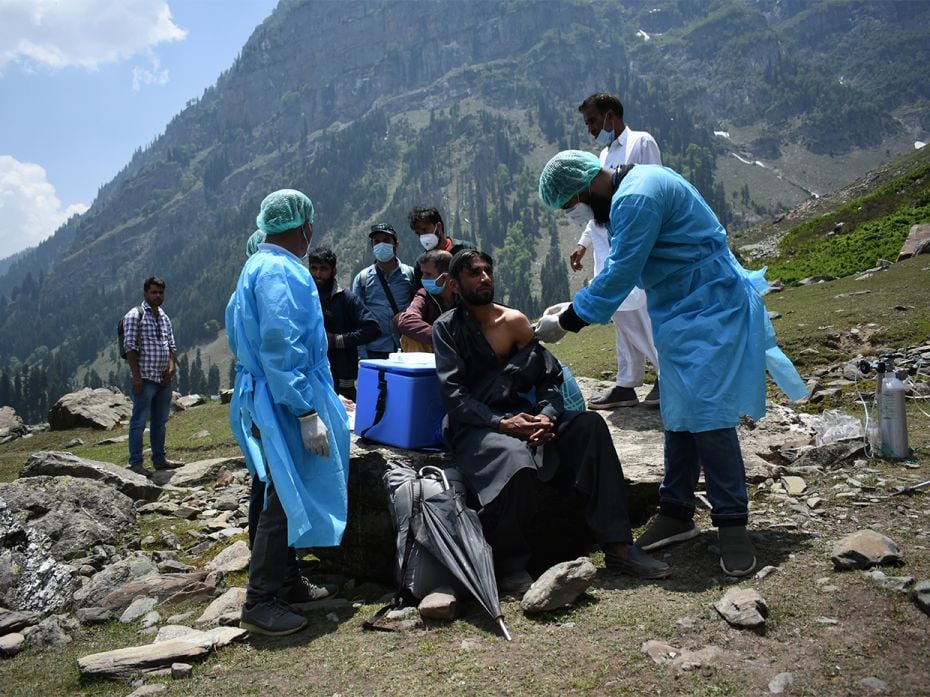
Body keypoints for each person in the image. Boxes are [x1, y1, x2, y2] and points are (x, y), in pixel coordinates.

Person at [537, 152, 808, 577]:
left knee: (709, 415)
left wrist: (568, 319)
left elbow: (622, 271)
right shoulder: (638, 184)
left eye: (575, 203)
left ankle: (732, 522)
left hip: (708, 305)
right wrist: (577, 305)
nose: (581, 211)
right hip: (680, 310)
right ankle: (677, 510)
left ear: (586, 187)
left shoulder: (637, 197)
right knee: (679, 412)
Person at [433, 250, 670, 594]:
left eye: (487, 271)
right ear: (455, 285)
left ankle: (618, 546)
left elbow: (549, 378)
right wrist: (503, 424)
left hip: (525, 419)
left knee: (590, 427)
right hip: (478, 426)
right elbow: (454, 397)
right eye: (473, 273)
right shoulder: (447, 329)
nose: (484, 278)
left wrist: (546, 415)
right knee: (514, 457)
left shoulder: (513, 323)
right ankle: (511, 565)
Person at [226, 189, 350, 635]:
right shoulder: (279, 270)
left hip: (270, 391)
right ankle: (261, 600)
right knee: (284, 492)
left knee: (280, 486)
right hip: (284, 395)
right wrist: (303, 410)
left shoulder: (258, 265)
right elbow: (280, 346)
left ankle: (287, 581)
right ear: (305, 225)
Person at [570, 93, 662, 409]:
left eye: (593, 121)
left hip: (631, 243)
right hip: (605, 244)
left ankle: (666, 376)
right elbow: (599, 204)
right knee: (621, 314)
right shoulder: (603, 154)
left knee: (642, 312)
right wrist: (582, 243)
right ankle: (626, 382)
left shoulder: (641, 143)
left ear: (611, 116)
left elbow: (653, 188)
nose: (591, 128)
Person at [122, 276, 182, 476]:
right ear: (145, 293)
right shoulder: (135, 315)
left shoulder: (164, 317)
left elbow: (171, 345)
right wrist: (136, 377)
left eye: (161, 292)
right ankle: (136, 463)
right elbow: (130, 347)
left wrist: (171, 366)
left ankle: (159, 459)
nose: (158, 296)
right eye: (154, 292)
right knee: (139, 421)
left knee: (160, 421)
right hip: (145, 378)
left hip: (163, 379)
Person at [308, 246, 381, 400]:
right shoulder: (306, 298)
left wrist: (337, 340)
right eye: (313, 268)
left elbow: (372, 328)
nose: (318, 274)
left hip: (343, 378)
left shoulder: (347, 299)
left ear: (334, 270)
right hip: (312, 375)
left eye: (323, 269)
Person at [351, 223, 415, 359]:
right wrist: (362, 357)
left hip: (407, 349)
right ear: (372, 246)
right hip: (374, 350)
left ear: (396, 245)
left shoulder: (410, 275)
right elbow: (357, 320)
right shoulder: (362, 279)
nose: (381, 245)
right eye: (377, 242)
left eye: (386, 241)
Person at [393, 249, 455, 351]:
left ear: (445, 277)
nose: (423, 278)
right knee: (410, 338)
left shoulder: (464, 296)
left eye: (428, 274)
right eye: (423, 273)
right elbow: (407, 320)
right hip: (436, 352)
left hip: (464, 352)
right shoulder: (424, 295)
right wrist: (441, 336)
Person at [407, 207, 473, 287]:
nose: (422, 236)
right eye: (418, 233)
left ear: (438, 226)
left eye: (425, 230)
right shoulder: (420, 263)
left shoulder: (465, 249)